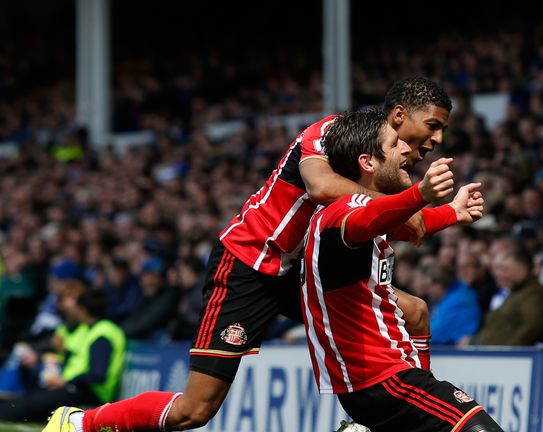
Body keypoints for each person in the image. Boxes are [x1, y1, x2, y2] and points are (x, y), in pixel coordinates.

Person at [44, 76, 452, 432]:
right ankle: (79, 422)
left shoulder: (389, 163)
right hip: (249, 263)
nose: (437, 140)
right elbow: (322, 188)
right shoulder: (332, 131)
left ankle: (411, 416)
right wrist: (406, 199)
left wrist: (444, 209)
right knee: (196, 409)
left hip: (305, 272)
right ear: (399, 115)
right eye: (432, 126)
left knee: (412, 310)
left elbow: (409, 226)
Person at [302, 108, 502, 431]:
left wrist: (452, 211)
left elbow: (397, 224)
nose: (406, 149)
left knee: (417, 310)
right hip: (382, 382)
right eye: (395, 145)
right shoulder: (343, 215)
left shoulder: (347, 216)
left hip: (379, 382)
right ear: (367, 163)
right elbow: (371, 218)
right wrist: (420, 194)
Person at [0, 289, 125, 422]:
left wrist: (67, 382)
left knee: (29, 404)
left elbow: (98, 374)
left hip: (90, 394)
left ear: (82, 309)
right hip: (77, 388)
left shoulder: (102, 335)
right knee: (32, 399)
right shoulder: (94, 329)